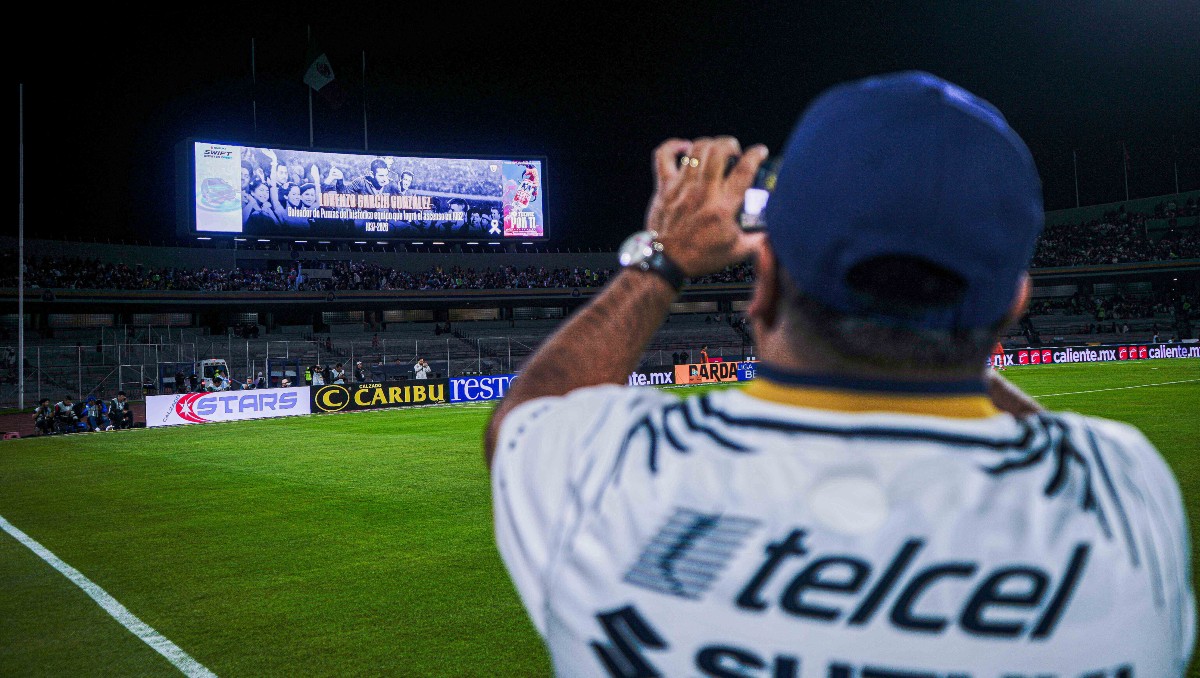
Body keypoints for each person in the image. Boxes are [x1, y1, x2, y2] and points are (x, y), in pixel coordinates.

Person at [484, 72, 1194, 675]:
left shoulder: (623, 476)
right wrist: (946, 342)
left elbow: (524, 423)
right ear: (1012, 306)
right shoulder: (1127, 492)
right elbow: (1064, 456)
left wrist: (663, 260)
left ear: (762, 284)